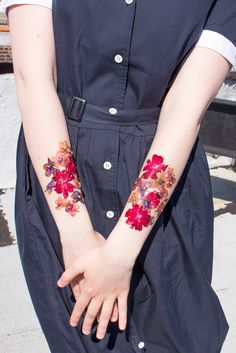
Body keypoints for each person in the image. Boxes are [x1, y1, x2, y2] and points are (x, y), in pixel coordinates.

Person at [2, 0, 236, 352]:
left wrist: (119, 255)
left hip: (162, 182)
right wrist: (77, 235)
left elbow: (184, 111)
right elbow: (34, 82)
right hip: (65, 177)